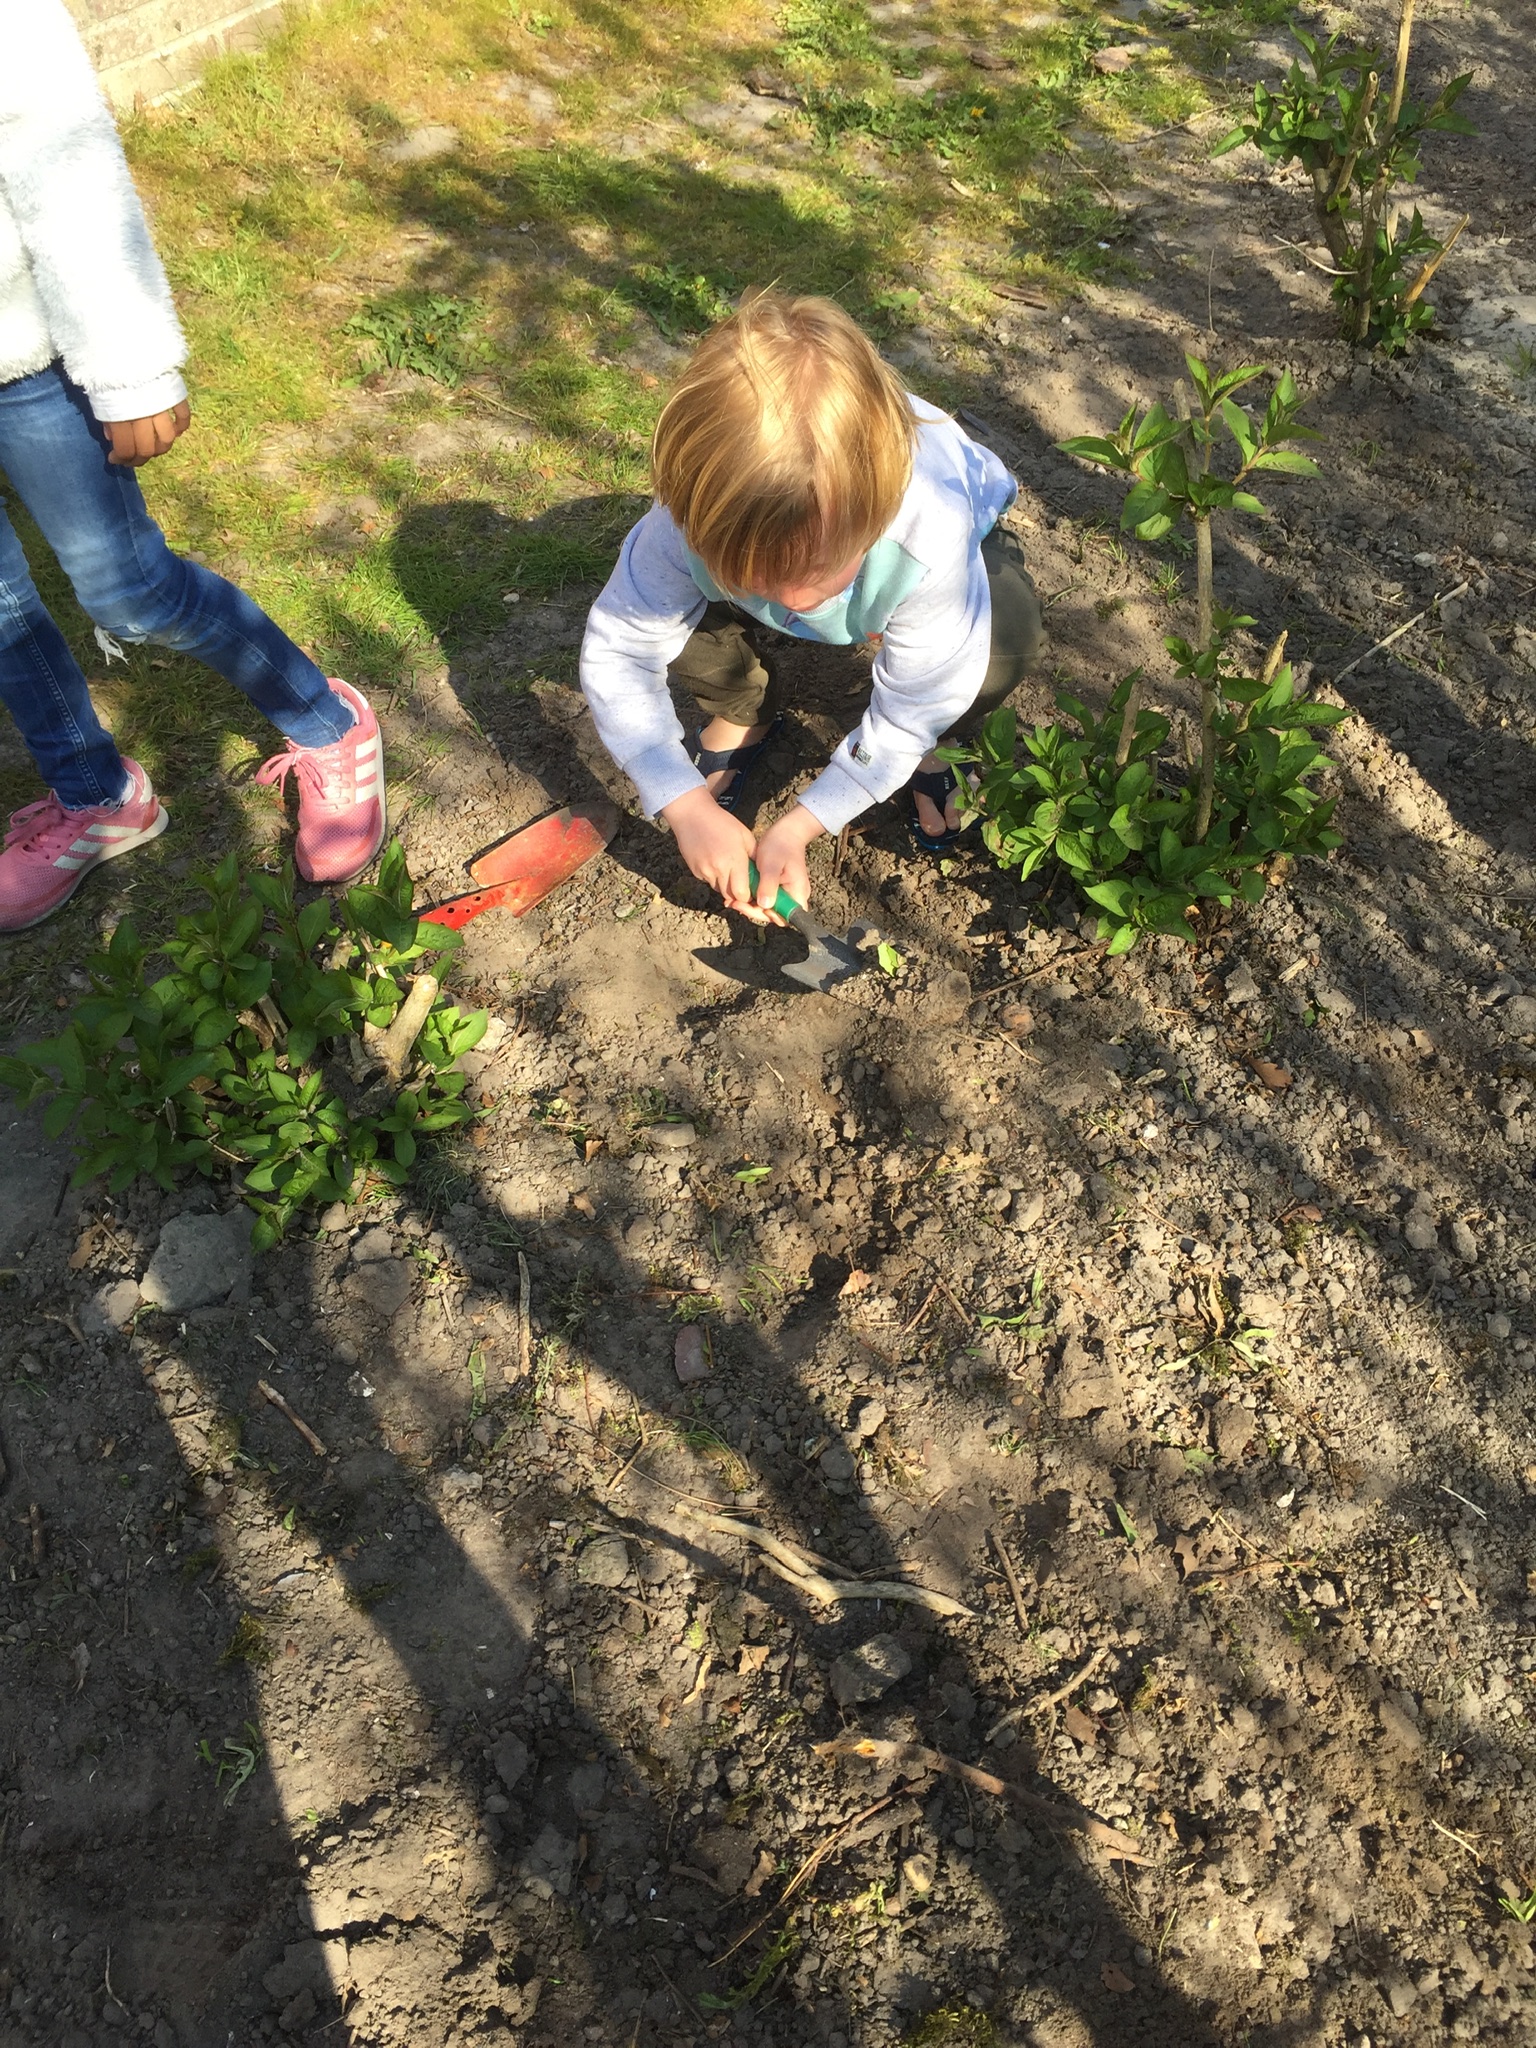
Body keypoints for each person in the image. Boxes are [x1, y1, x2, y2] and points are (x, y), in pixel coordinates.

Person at [0, 0, 385, 933]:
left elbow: (57, 147)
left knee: (129, 592)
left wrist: (128, 364)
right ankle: (98, 797)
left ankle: (331, 725)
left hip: (22, 351)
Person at [579, 289, 1040, 920]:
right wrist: (682, 801)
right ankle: (741, 707)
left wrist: (804, 823)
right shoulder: (681, 528)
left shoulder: (929, 532)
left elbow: (913, 704)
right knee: (667, 612)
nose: (795, 603)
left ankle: (945, 746)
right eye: (758, 578)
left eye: (817, 570)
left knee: (993, 645)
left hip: (953, 557)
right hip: (801, 559)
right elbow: (621, 651)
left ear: (877, 511)